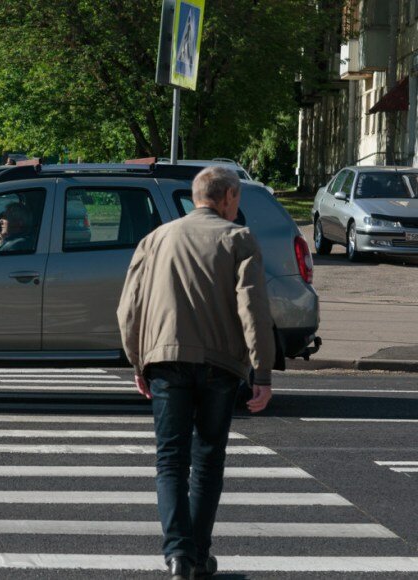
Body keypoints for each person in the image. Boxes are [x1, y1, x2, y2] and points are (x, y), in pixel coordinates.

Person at [117, 166, 275, 580]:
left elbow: (128, 309)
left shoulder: (155, 239)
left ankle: (178, 557)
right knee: (207, 461)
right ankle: (199, 554)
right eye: (236, 200)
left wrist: (138, 360)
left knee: (170, 461)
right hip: (221, 365)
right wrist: (262, 372)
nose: (236, 208)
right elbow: (254, 310)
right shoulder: (239, 239)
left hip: (165, 361)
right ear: (226, 197)